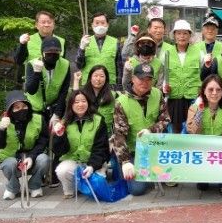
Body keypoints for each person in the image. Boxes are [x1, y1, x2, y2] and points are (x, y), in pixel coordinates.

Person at [111, 63, 170, 196]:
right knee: (137, 190)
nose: (145, 83)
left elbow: (165, 119)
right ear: (133, 79)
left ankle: (149, 171)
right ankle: (123, 167)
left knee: (169, 175)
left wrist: (151, 130)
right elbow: (119, 134)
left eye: (149, 79)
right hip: (132, 150)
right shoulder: (121, 102)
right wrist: (125, 161)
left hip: (153, 147)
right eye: (141, 79)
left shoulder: (157, 94)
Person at [186, 74, 222, 197]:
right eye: (210, 89)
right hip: (201, 149)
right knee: (203, 186)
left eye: (218, 90)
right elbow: (192, 131)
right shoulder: (194, 108)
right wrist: (200, 111)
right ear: (204, 91)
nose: (214, 93)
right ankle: (203, 177)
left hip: (221, 149)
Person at [53, 90, 109, 199]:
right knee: (62, 170)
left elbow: (101, 148)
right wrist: (60, 136)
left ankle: (87, 182)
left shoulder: (98, 120)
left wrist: (92, 166)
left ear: (88, 102)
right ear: (71, 104)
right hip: (74, 161)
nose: (80, 104)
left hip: (94, 162)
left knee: (98, 189)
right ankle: (70, 189)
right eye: (76, 102)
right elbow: (59, 151)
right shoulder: (64, 122)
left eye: (83, 101)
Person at [0, 91, 49, 200]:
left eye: (24, 106)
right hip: (11, 158)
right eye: (17, 107)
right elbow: (0, 145)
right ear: (10, 110)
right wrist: (1, 130)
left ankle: (34, 185)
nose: (21, 109)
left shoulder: (38, 119)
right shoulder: (4, 122)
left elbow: (43, 140)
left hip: (31, 156)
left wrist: (31, 157)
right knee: (9, 164)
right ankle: (12, 187)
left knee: (44, 159)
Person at [25, 36, 71, 130]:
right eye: (49, 52)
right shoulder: (32, 64)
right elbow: (31, 90)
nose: (52, 55)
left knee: (55, 135)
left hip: (53, 107)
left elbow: (64, 91)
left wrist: (57, 114)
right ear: (42, 52)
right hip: (35, 109)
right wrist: (36, 72)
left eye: (56, 52)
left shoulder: (65, 64)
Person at [75, 12, 123, 90]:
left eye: (103, 23)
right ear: (92, 25)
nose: (100, 25)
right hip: (88, 84)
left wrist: (119, 86)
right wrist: (82, 48)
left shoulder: (115, 42)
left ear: (107, 25)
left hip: (110, 85)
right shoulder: (85, 41)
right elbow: (79, 65)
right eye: (97, 23)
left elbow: (119, 67)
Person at [81, 65, 116, 134]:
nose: (98, 79)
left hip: (105, 135)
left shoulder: (114, 95)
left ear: (106, 79)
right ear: (90, 77)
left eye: (102, 76)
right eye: (95, 76)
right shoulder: (82, 94)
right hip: (85, 134)